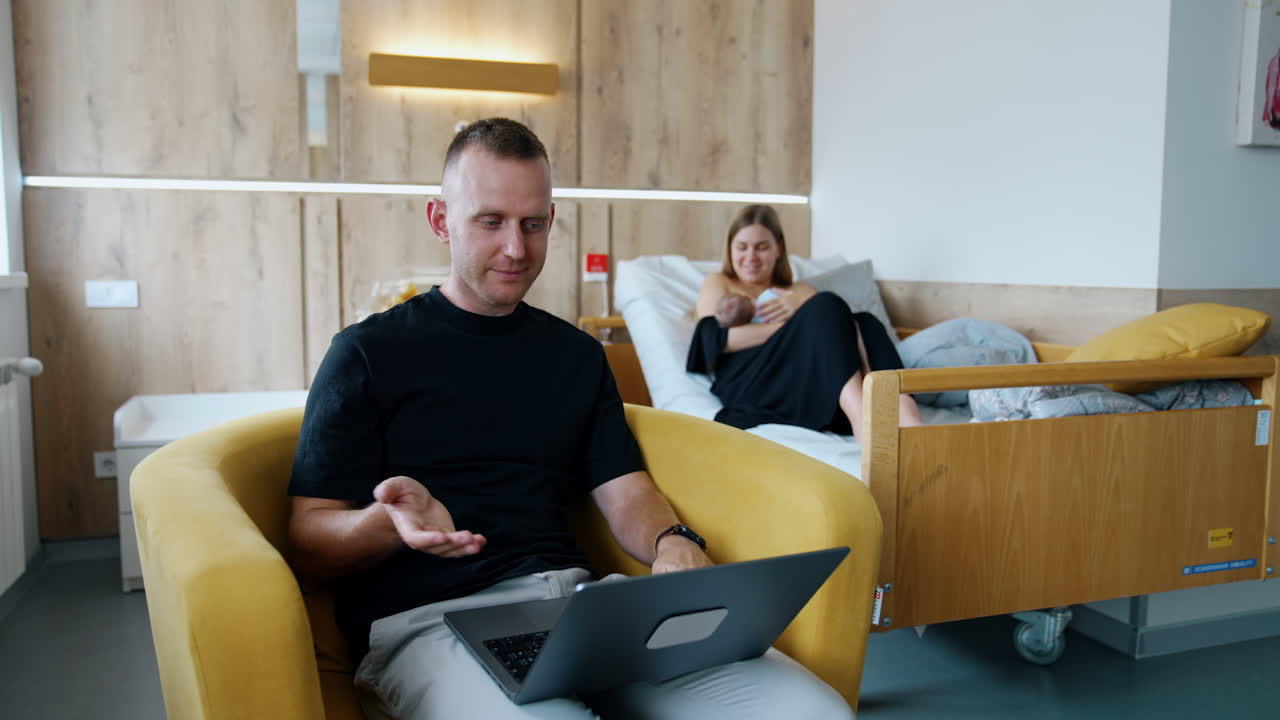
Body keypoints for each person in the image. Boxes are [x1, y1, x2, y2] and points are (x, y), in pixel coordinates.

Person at [287, 119, 853, 720]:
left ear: (551, 221)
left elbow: (627, 492)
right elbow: (307, 539)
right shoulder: (367, 354)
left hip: (585, 610)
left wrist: (672, 543)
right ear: (440, 220)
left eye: (533, 224)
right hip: (429, 626)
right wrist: (384, 524)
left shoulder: (576, 356)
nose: (516, 247)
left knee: (813, 712)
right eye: (490, 221)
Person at [689, 204, 923, 440]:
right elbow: (712, 340)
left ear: (778, 249)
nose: (751, 257)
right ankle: (861, 417)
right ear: (730, 249)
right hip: (752, 380)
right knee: (826, 305)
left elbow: (840, 333)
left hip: (804, 381)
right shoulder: (719, 282)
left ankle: (909, 419)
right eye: (741, 247)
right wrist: (794, 328)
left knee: (865, 321)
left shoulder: (798, 291)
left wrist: (803, 314)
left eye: (761, 248)